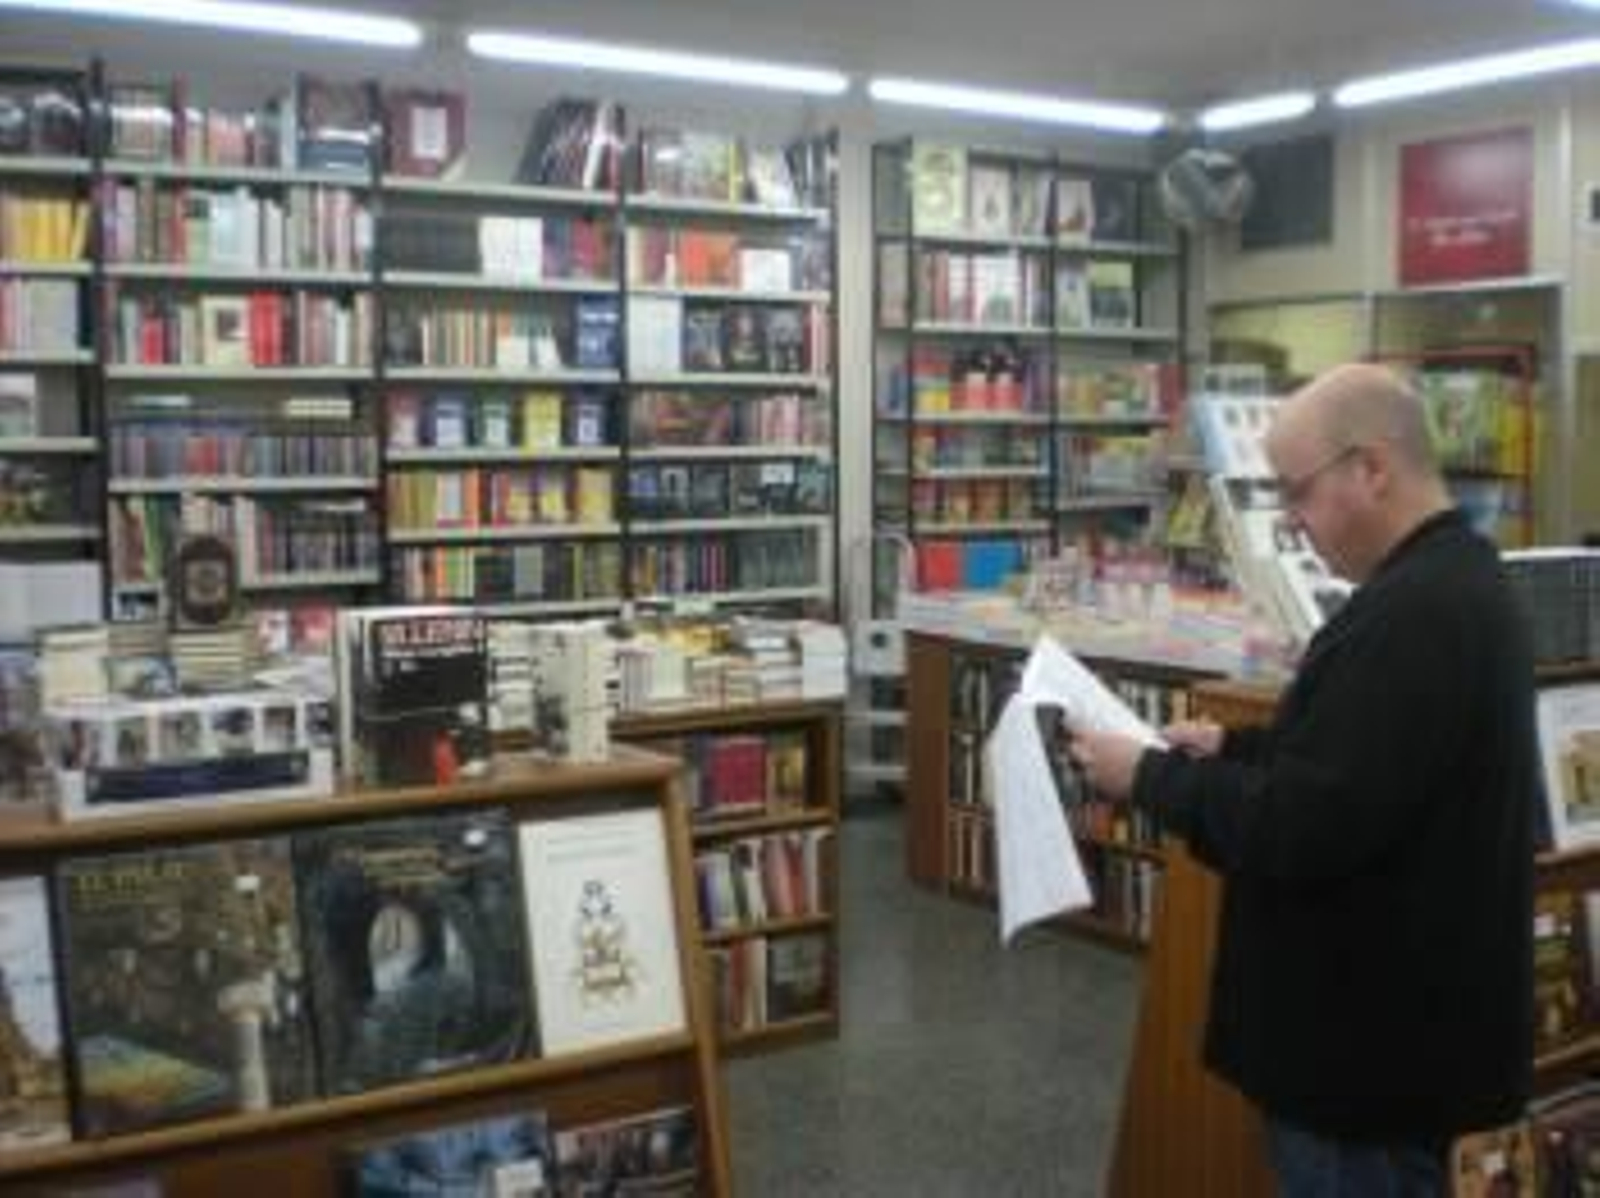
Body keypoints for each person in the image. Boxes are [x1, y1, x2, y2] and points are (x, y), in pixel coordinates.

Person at [1069, 363, 1537, 1197]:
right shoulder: (1453, 583)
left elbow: (1298, 828)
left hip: (1367, 1073)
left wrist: (1146, 776)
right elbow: (1362, 770)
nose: (1290, 521)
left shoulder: (1417, 615)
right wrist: (1235, 747)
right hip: (1402, 1046)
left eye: (1299, 492)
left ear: (1372, 469)